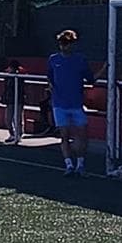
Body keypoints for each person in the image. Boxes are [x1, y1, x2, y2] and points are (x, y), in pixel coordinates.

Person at [47, 29, 96, 176]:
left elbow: (91, 79)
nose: (64, 46)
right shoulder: (53, 59)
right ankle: (68, 164)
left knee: (81, 135)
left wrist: (104, 69)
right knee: (64, 135)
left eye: (67, 43)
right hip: (59, 104)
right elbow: (49, 77)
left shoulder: (80, 59)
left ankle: (80, 163)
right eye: (62, 43)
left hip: (76, 104)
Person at [1, 59, 24, 143]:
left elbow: (21, 89)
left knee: (18, 119)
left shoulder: (21, 76)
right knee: (8, 119)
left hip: (18, 100)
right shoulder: (7, 77)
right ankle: (12, 134)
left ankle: (18, 135)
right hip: (10, 100)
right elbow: (6, 88)